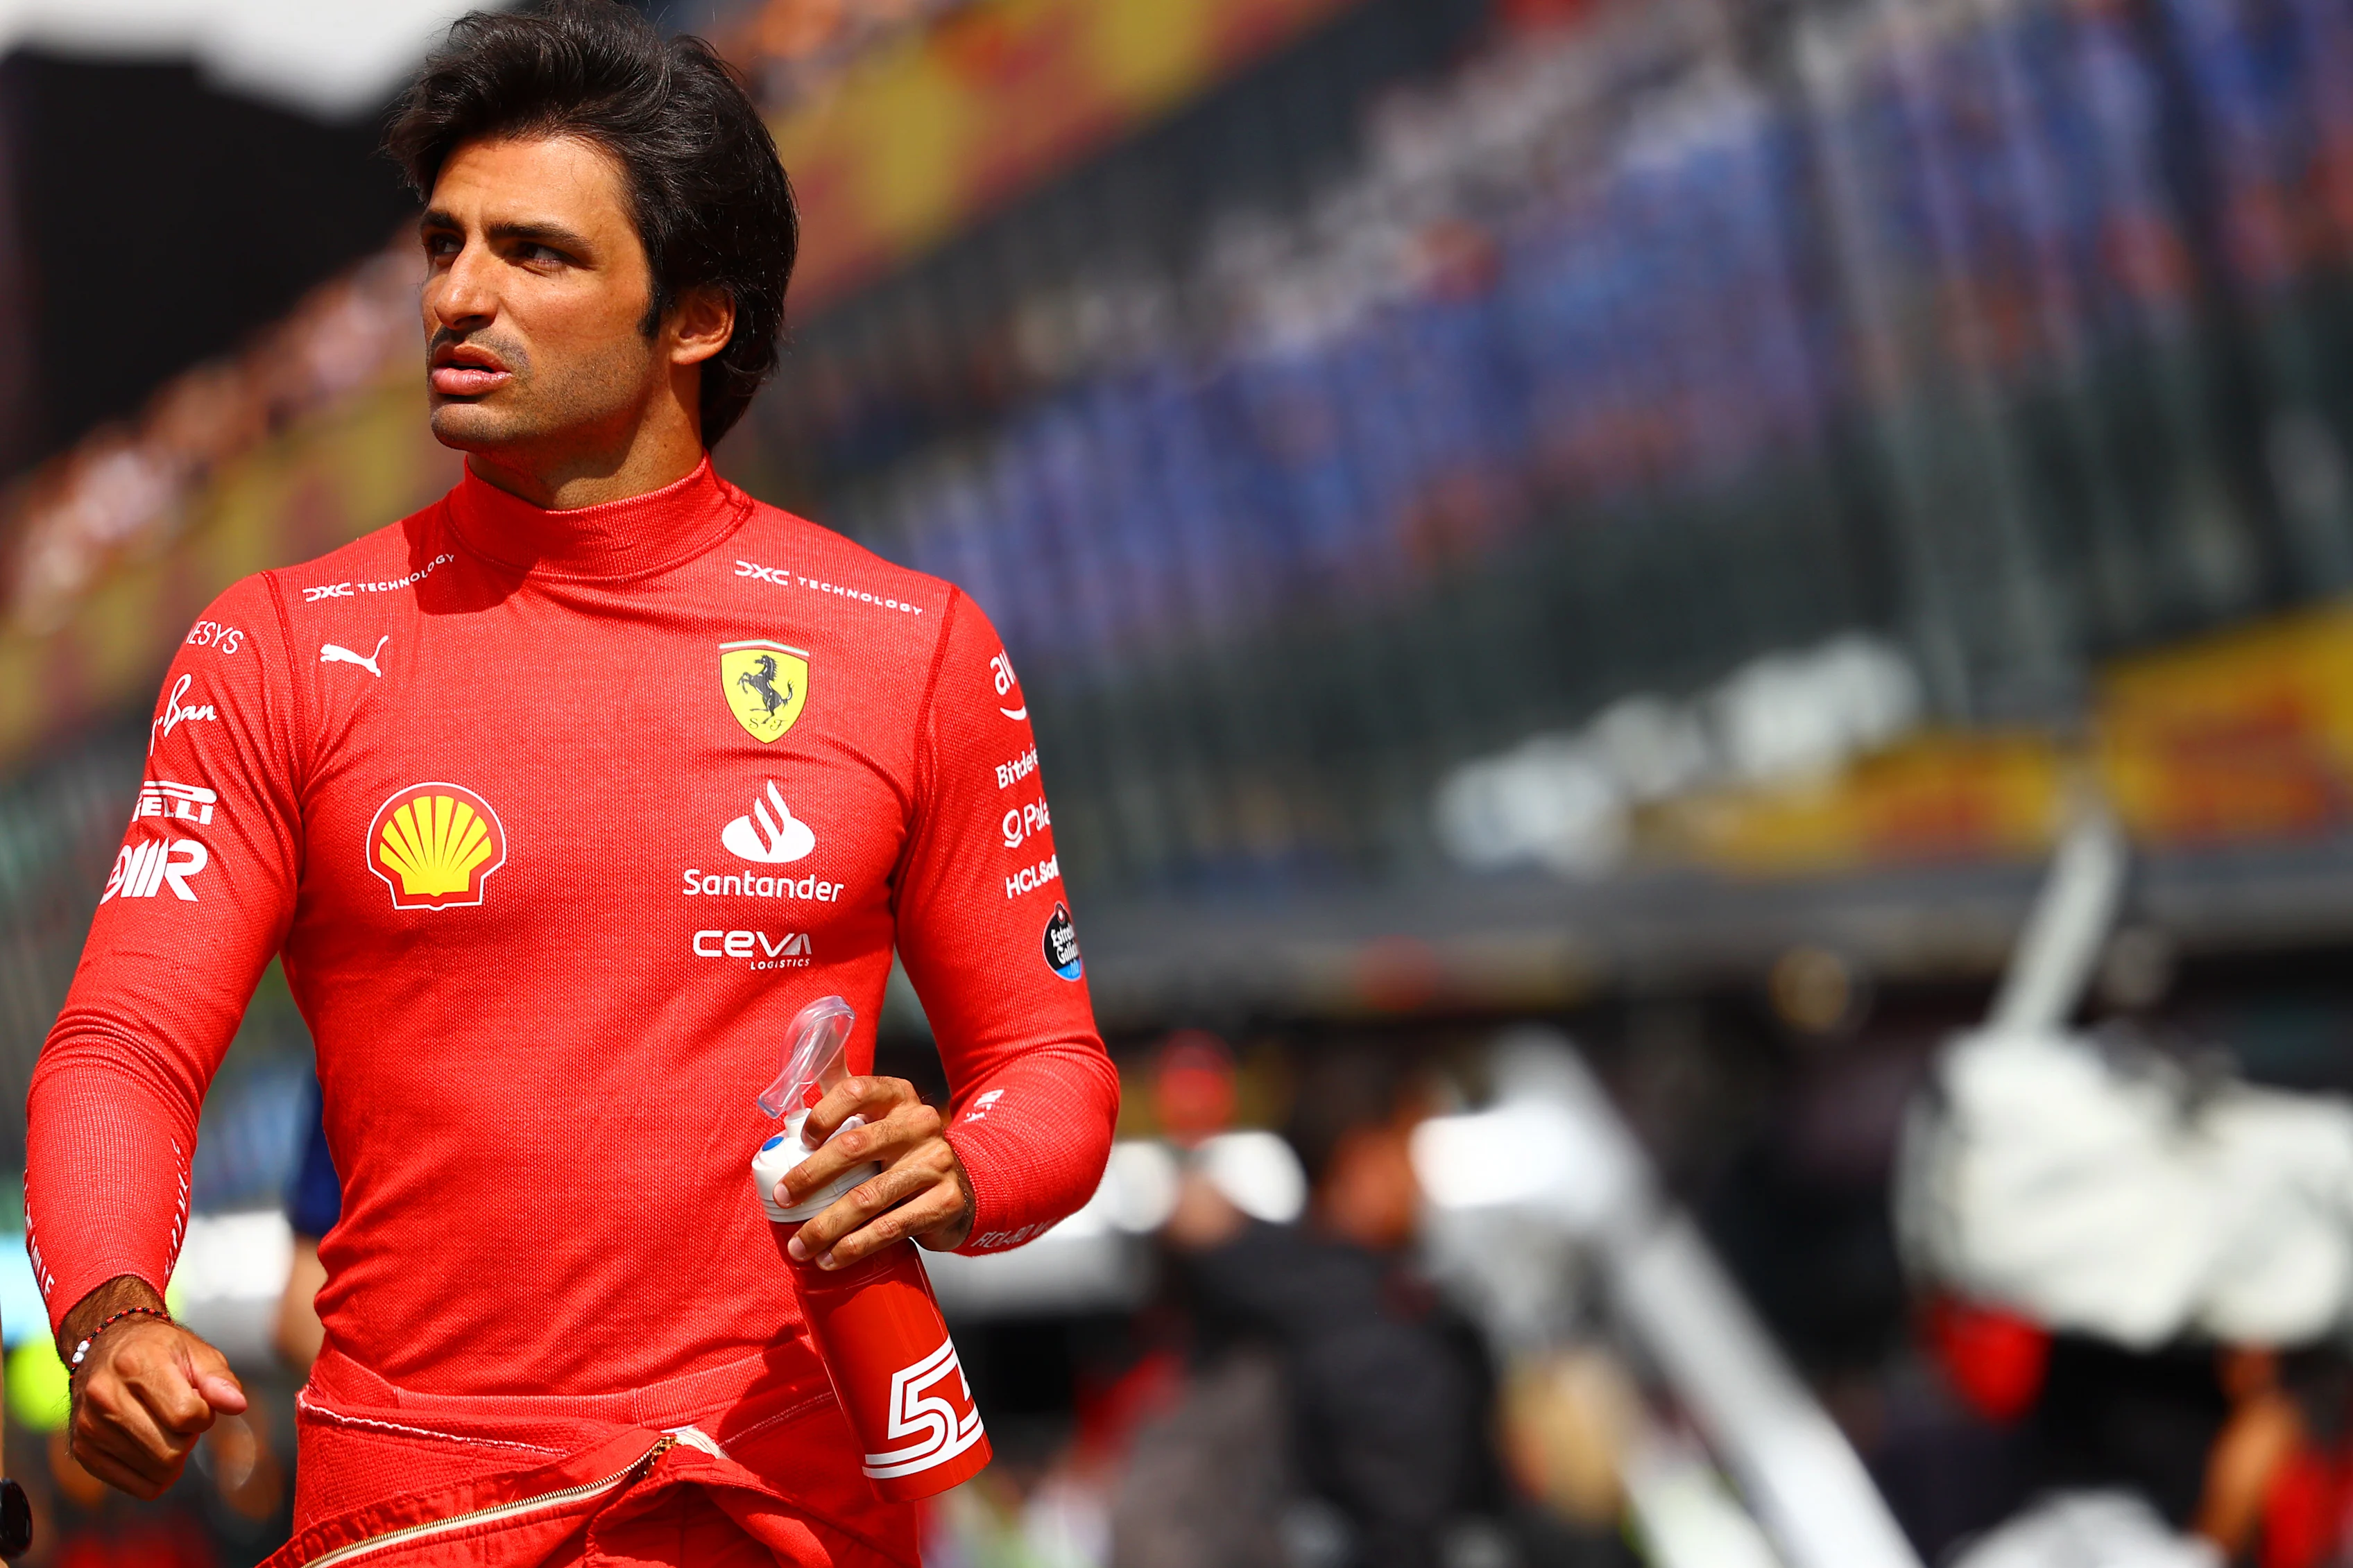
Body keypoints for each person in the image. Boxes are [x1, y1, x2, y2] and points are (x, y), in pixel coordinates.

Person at [24, 6, 1119, 1563]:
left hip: (789, 1508)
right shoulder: (276, 644)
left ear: (695, 321)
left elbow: (1051, 1070)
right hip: (416, 1516)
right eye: (446, 242)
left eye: (536, 254)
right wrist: (113, 1311)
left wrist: (961, 1161)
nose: (459, 294)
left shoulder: (912, 648)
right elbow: (122, 1044)